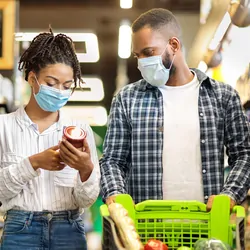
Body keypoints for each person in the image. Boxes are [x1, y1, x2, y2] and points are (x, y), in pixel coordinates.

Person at [100, 8, 250, 210]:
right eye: (138, 56)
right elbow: (112, 161)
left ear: (174, 45)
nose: (142, 62)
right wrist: (115, 193)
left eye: (148, 52)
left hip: (207, 226)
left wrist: (230, 194)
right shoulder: (127, 99)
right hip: (147, 229)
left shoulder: (223, 96)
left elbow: (244, 154)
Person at [0, 28, 100, 250]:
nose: (59, 92)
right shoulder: (3, 127)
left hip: (69, 229)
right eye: (52, 83)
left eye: (67, 86)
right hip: (20, 232)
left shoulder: (81, 130)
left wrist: (86, 170)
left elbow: (87, 200)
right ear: (32, 78)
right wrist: (33, 163)